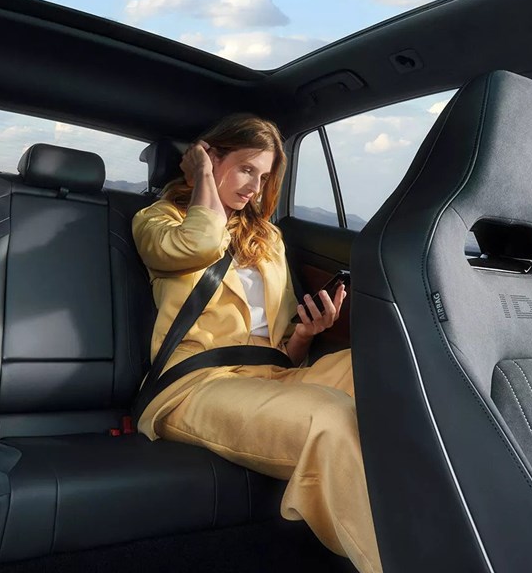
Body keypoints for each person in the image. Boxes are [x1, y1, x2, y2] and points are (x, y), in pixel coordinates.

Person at [132, 113, 381, 573]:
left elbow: (281, 352)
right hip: (195, 384)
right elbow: (197, 245)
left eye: (263, 177)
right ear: (210, 155)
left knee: (382, 372)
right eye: (246, 169)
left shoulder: (267, 238)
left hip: (270, 376)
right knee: (329, 416)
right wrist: (201, 175)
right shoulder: (158, 220)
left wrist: (305, 334)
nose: (254, 186)